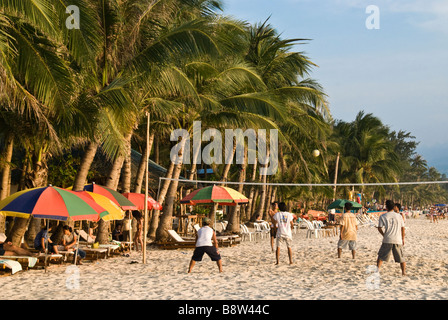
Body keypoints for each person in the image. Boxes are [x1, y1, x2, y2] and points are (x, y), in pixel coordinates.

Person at [377, 200, 406, 276]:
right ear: (393, 207)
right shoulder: (399, 216)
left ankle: (377, 270)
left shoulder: (383, 216)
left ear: (386, 207)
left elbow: (379, 228)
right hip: (397, 239)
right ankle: (403, 272)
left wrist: (384, 234)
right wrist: (403, 238)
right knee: (401, 258)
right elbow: (403, 228)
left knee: (381, 256)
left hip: (387, 239)